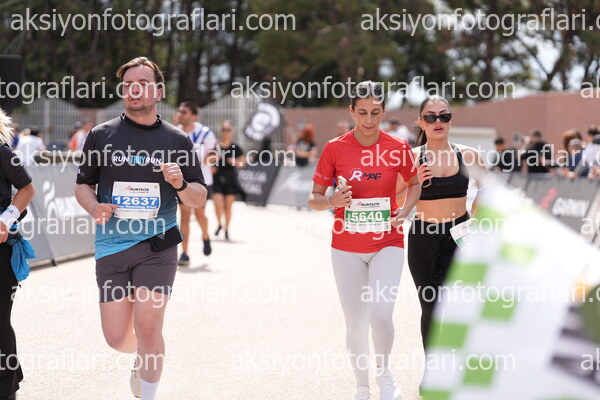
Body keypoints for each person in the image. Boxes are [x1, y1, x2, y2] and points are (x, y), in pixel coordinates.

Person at [74, 57, 207, 400]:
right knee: (117, 337)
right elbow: (83, 185)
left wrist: (179, 184)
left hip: (157, 245)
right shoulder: (101, 135)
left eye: (143, 84)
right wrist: (94, 206)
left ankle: (149, 387)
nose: (135, 89)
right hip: (112, 246)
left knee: (148, 328)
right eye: (129, 84)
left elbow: (198, 198)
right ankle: (143, 354)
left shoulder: (178, 140)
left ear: (158, 92)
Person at [309, 81, 421, 400]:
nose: (369, 120)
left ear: (384, 112)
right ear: (352, 112)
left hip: (388, 241)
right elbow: (314, 198)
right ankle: (362, 386)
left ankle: (385, 375)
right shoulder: (335, 148)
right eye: (362, 113)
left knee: (380, 314)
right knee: (355, 323)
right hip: (346, 247)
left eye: (375, 112)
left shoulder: (398, 147)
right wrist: (332, 201)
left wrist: (405, 211)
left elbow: (414, 184)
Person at [407, 95, 486, 345]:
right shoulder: (411, 158)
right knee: (431, 309)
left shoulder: (469, 155)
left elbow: (488, 187)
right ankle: (433, 366)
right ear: (421, 122)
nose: (437, 122)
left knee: (460, 308)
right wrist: (415, 182)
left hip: (459, 236)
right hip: (423, 238)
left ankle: (457, 362)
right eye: (430, 117)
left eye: (444, 116)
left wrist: (478, 207)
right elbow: (396, 201)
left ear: (451, 120)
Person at [0, 109, 35, 400]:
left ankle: (7, 389)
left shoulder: (2, 152)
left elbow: (27, 188)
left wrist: (6, 220)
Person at [175, 101, 217, 266]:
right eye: (180, 111)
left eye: (184, 112)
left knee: (200, 215)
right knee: (185, 216)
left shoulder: (205, 133)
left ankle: (205, 236)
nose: (180, 114)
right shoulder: (175, 132)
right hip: (183, 182)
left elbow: (215, 155)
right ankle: (184, 253)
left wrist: (197, 163)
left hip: (202, 181)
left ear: (193, 116)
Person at [212, 120, 245, 241]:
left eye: (228, 130)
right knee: (218, 205)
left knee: (228, 207)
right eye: (224, 130)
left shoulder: (236, 147)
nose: (226, 132)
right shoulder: (216, 146)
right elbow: (209, 159)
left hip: (231, 179)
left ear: (232, 132)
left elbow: (242, 163)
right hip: (217, 178)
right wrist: (212, 165)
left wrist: (235, 162)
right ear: (221, 131)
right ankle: (219, 224)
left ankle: (226, 229)